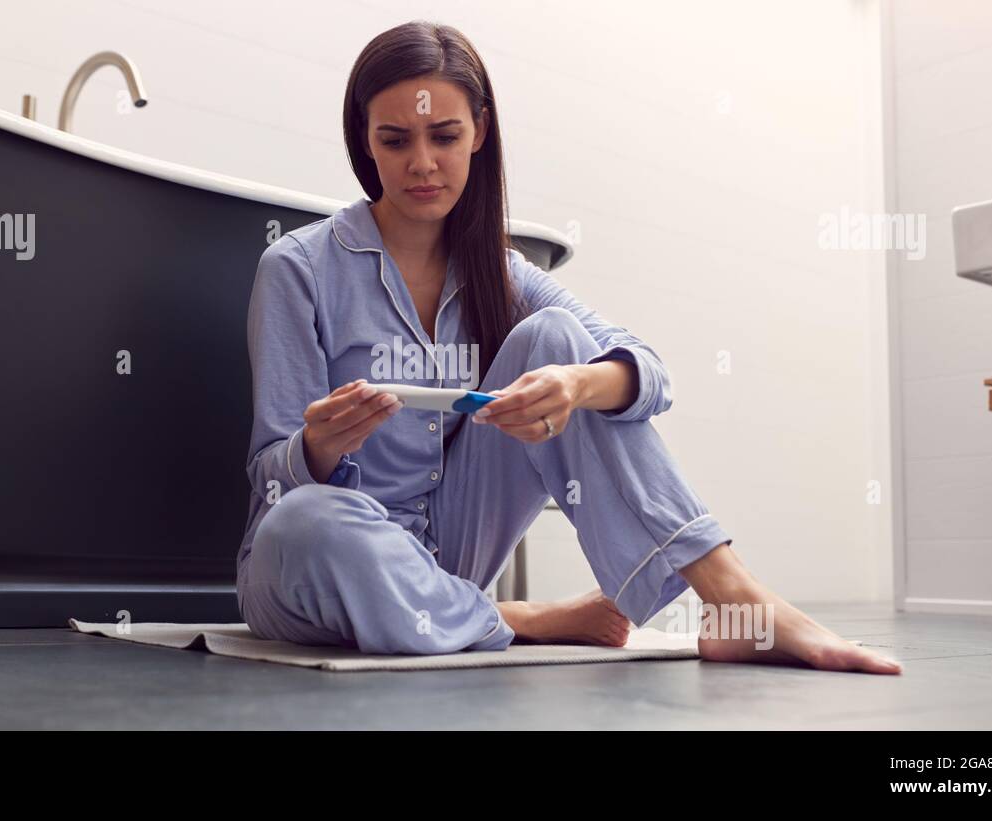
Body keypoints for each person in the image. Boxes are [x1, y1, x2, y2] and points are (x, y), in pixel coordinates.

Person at [235, 20, 902, 674]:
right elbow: (271, 481)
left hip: (448, 552)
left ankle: (732, 597)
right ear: (364, 139)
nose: (422, 163)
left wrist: (576, 386)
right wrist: (318, 447)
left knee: (559, 343)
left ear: (481, 132)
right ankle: (521, 618)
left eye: (445, 136)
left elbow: (650, 372)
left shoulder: (504, 275)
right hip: (321, 557)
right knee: (307, 522)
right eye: (395, 139)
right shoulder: (298, 268)